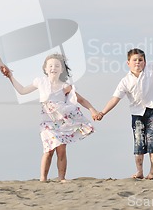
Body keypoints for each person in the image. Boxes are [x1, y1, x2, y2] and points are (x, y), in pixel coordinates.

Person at [6, 53, 99, 182]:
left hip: (62, 122)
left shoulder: (65, 86)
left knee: (61, 150)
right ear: (45, 68)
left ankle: (62, 178)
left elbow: (81, 100)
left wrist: (92, 110)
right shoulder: (40, 82)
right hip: (47, 123)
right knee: (48, 149)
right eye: (50, 65)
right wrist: (10, 76)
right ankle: (43, 178)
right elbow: (22, 90)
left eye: (56, 65)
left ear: (61, 69)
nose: (53, 68)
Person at [96, 32, 153, 180]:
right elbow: (115, 99)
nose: (138, 62)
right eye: (134, 60)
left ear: (145, 62)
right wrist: (102, 112)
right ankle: (139, 171)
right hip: (137, 113)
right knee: (139, 142)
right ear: (128, 63)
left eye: (140, 60)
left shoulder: (151, 70)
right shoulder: (125, 81)